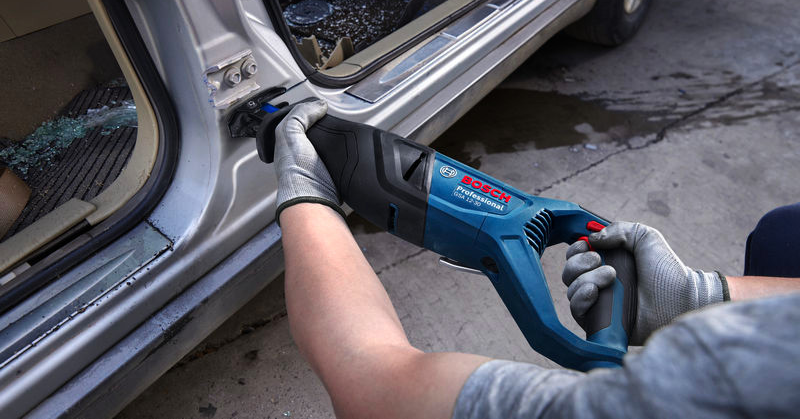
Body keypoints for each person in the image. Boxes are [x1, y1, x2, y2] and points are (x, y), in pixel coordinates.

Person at [273, 100, 800, 419]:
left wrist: (307, 198)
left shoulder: (691, 396)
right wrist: (698, 296)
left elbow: (372, 387)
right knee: (785, 232)